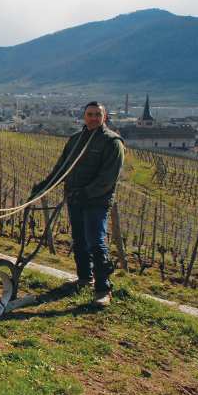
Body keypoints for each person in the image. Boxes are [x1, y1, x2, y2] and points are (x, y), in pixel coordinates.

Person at [30, 102, 125, 307]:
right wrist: (43, 187)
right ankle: (84, 278)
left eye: (97, 115)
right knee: (79, 240)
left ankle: (103, 289)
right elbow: (61, 169)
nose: (93, 118)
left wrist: (86, 193)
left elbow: (108, 178)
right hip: (75, 200)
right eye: (89, 114)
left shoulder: (112, 142)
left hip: (97, 202)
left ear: (104, 117)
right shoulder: (74, 140)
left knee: (96, 242)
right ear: (84, 116)